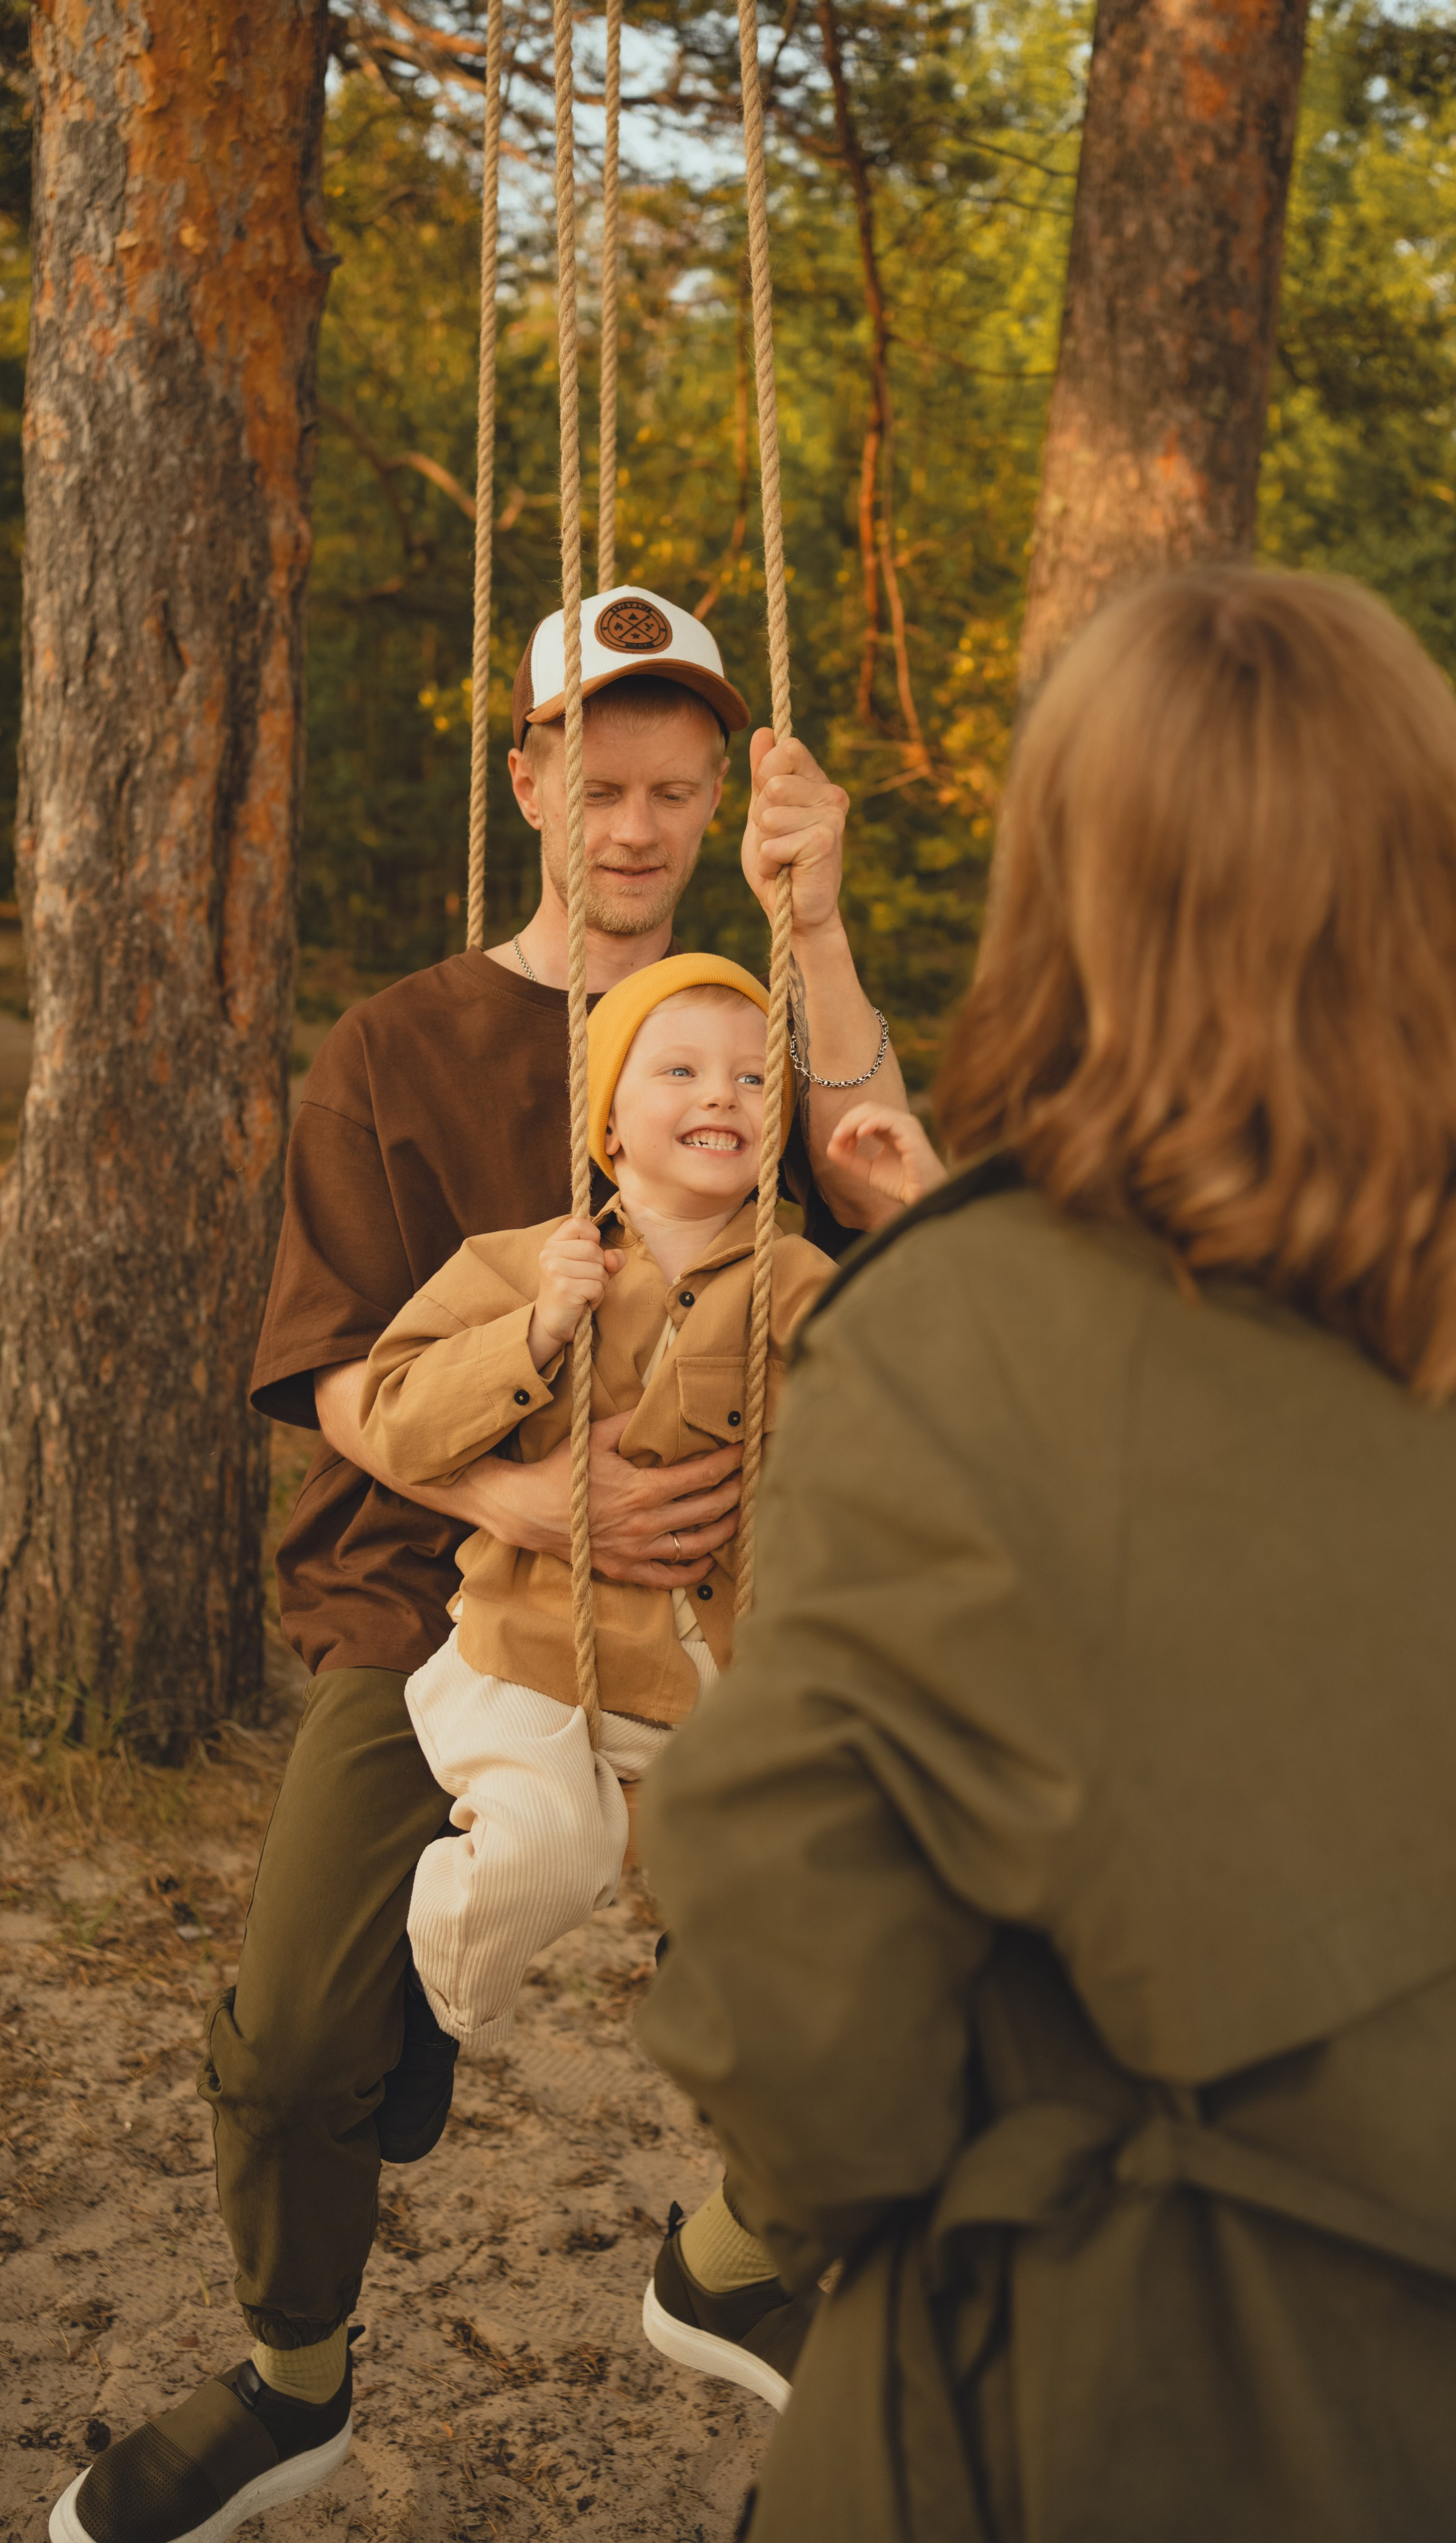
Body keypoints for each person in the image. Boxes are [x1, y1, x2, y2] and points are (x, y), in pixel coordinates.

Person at [636, 566, 1456, 2543]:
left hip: (1128, 2411)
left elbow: (797, 2027)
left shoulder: (968, 1337)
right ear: (1442, 873)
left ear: (1073, 896)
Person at [50, 586, 913, 2543]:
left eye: (677, 792)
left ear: (717, 805)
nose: (635, 826)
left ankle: (740, 2260)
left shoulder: (750, 1028)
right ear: (527, 776)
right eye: (601, 783)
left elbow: (899, 1207)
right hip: (439, 1608)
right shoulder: (400, 1045)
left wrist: (821, 927)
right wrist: (518, 1505)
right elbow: (336, 1367)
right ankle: (291, 2386)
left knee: (861, 1984)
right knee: (290, 2050)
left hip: (718, 1641)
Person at [358, 955, 941, 2403]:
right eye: (677, 1069)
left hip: (699, 1699)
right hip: (524, 1668)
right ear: (607, 1122)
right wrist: (535, 1331)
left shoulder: (800, 1285)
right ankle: (428, 2001)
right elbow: (390, 1411)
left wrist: (919, 1219)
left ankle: (729, 2262)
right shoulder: (533, 1259)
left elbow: (928, 1395)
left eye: (751, 1076)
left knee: (825, 1926)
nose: (722, 1097)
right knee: (552, 1850)